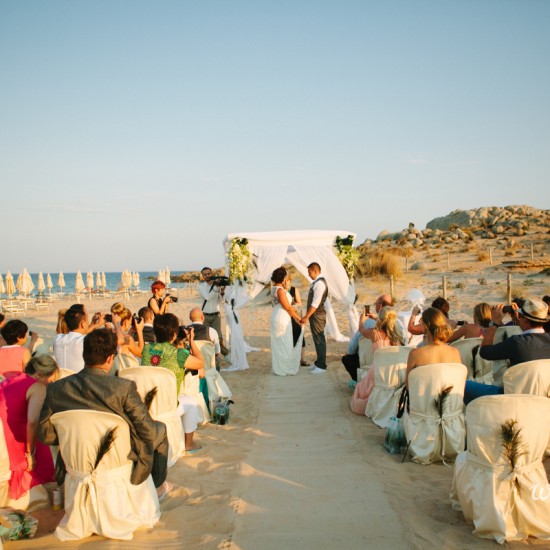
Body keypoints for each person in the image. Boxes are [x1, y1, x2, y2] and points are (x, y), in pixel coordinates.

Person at [39, 329, 171, 499]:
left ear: (85, 354)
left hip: (75, 462)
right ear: (110, 358)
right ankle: (157, 487)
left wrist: (77, 436)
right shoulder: (123, 388)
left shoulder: (56, 388)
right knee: (160, 430)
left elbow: (45, 436)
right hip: (117, 460)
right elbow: (149, 432)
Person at [464, 297, 550, 403]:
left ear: (525, 319)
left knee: (463, 385)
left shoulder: (517, 343)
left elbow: (485, 352)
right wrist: (519, 321)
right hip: (542, 398)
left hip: (512, 398)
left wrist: (494, 323)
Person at [141, 314, 205, 451]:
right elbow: (200, 363)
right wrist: (191, 341)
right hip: (168, 405)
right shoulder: (179, 354)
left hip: (147, 404)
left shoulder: (146, 350)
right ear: (175, 334)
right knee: (191, 402)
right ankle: (188, 444)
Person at [0, 355, 58, 503]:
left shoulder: (10, 379)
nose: (49, 385)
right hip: (18, 440)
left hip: (5, 436)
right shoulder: (37, 387)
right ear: (39, 375)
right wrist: (30, 453)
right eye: (50, 381)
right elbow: (32, 422)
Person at [350, 307, 405, 415]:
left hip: (377, 373)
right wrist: (378, 318)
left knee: (360, 388)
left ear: (380, 319)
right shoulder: (398, 336)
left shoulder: (375, 334)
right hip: (394, 373)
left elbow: (361, 329)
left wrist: (362, 319)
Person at [342, 294, 394, 382]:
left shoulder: (369, 326)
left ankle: (358, 380)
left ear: (380, 306)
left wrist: (361, 321)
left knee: (347, 359)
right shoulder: (399, 324)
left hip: (369, 364)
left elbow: (351, 349)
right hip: (391, 366)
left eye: (375, 304)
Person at [405, 308, 461, 388]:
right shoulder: (455, 352)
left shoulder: (415, 354)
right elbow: (457, 380)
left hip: (423, 398)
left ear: (425, 327)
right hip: (448, 398)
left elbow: (408, 386)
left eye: (421, 322)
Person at [270, 267, 303, 377]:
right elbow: (288, 308)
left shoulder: (274, 289)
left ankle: (280, 366)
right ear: (283, 278)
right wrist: (298, 318)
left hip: (277, 315)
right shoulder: (280, 291)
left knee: (280, 343)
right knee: (284, 342)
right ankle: (283, 368)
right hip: (282, 318)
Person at [53, 304, 103, 373]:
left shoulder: (57, 339)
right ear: (83, 324)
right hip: (78, 380)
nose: (88, 323)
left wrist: (94, 323)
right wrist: (100, 324)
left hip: (61, 379)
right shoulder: (84, 341)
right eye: (87, 320)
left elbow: (81, 335)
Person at [301, 262, 328, 374]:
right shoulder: (316, 283)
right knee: (317, 339)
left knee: (319, 339)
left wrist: (306, 316)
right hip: (315, 315)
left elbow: (315, 303)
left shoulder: (320, 284)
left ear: (315, 271)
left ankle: (322, 366)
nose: (308, 275)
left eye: (310, 272)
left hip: (317, 315)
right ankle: (318, 363)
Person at [198, 267, 229, 356]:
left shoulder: (216, 286)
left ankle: (222, 355)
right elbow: (207, 297)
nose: (207, 276)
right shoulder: (201, 286)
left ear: (212, 274)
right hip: (205, 315)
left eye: (209, 274)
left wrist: (222, 292)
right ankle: (210, 356)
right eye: (205, 274)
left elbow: (220, 301)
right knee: (206, 337)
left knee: (218, 337)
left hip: (216, 315)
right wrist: (216, 287)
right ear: (202, 276)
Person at [289, 281, 309, 366]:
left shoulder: (294, 289)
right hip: (285, 316)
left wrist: (293, 305)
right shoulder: (281, 290)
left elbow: (300, 303)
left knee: (299, 334)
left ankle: (302, 359)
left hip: (295, 315)